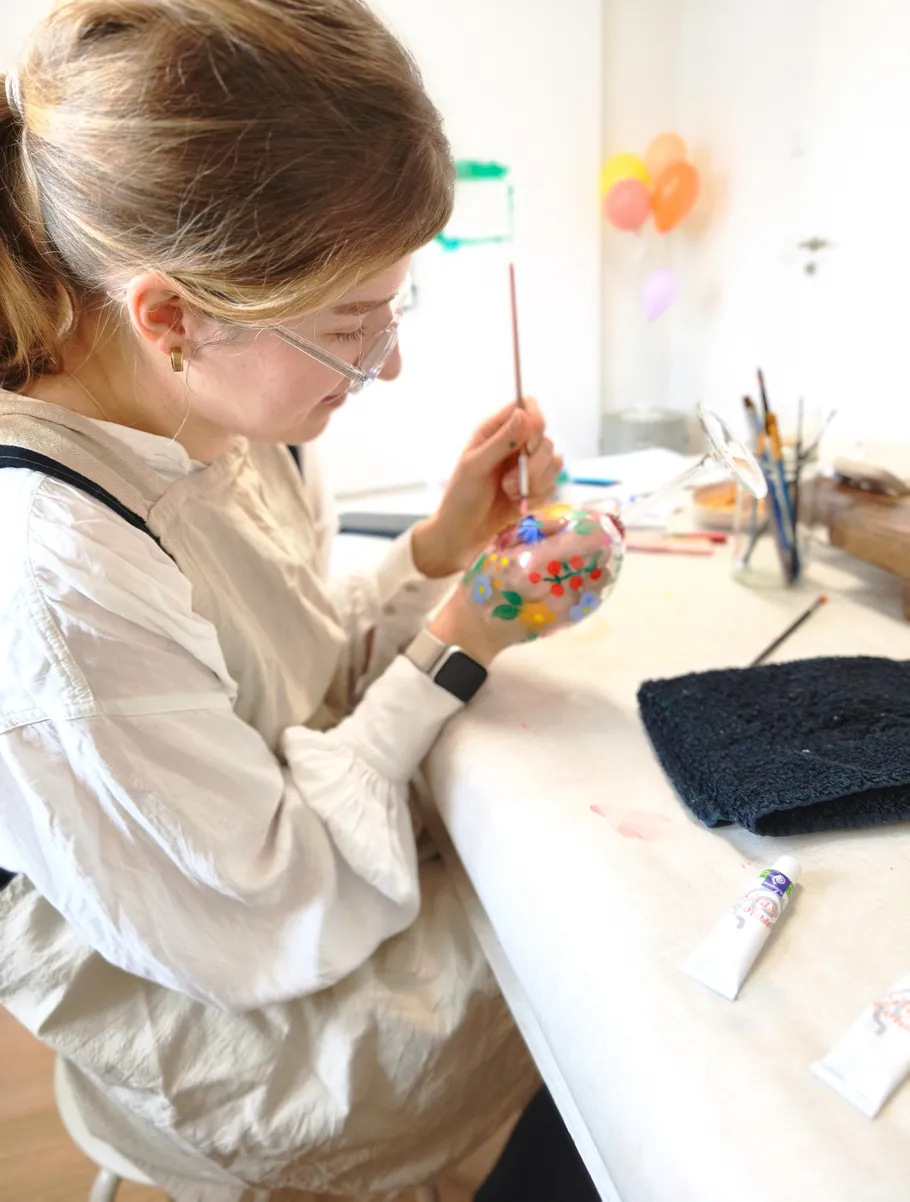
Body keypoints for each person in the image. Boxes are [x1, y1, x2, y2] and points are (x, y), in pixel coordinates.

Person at [0, 2, 601, 1200]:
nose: (389, 362)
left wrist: (439, 547)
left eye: (394, 305)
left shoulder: (220, 411)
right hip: (246, 1015)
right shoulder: (52, 579)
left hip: (300, 887)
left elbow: (295, 670)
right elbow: (277, 906)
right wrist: (461, 635)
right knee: (610, 974)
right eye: (350, 324)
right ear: (170, 315)